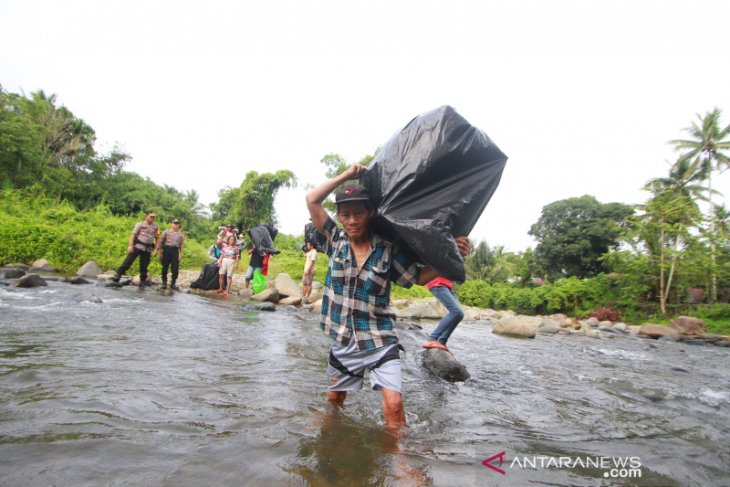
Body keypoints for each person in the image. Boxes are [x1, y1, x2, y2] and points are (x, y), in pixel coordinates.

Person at [306, 164, 470, 434]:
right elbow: (312, 199)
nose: (352, 220)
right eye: (345, 214)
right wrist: (347, 175)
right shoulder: (334, 240)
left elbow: (417, 277)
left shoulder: (387, 249)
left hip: (380, 338)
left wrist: (454, 255)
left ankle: (399, 458)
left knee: (394, 404)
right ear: (340, 217)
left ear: (370, 213)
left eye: (359, 213)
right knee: (335, 399)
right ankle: (329, 430)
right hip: (344, 338)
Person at [112, 210, 160, 285]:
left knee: (144, 266)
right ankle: (118, 275)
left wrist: (157, 249)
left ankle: (143, 281)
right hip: (137, 246)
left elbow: (157, 238)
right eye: (151, 217)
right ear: (146, 216)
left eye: (154, 217)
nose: (152, 218)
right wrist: (130, 245)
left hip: (147, 249)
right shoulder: (140, 225)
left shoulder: (155, 227)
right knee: (128, 261)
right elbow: (133, 235)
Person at [422, 277, 464, 352]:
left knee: (460, 314)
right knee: (456, 312)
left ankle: (442, 341)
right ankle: (432, 339)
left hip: (446, 284)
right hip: (437, 283)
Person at [157, 218, 184, 290]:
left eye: (177, 223)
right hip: (166, 249)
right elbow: (161, 242)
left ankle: (173, 283)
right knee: (165, 267)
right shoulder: (166, 232)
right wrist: (160, 252)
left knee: (175, 268)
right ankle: (164, 282)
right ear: (171, 224)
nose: (176, 225)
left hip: (175, 251)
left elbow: (181, 246)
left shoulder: (180, 235)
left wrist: (181, 254)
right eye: (174, 223)